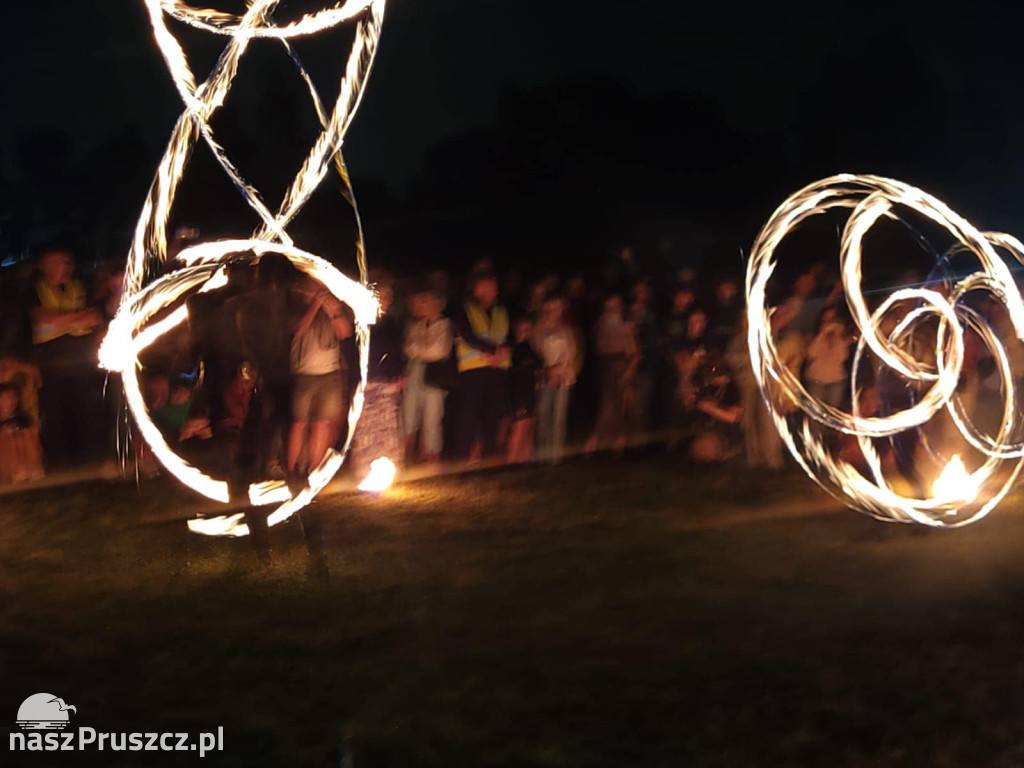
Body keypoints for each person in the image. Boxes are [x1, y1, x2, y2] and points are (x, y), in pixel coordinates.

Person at [29, 248, 105, 469]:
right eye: (60, 261)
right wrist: (76, 320)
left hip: (82, 367)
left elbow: (94, 317)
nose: (67, 266)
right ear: (45, 265)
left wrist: (58, 323)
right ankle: (60, 470)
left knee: (86, 415)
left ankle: (89, 468)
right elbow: (40, 320)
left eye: (68, 261)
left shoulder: (82, 287)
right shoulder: (33, 290)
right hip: (50, 369)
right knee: (55, 419)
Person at [286, 279, 352, 486]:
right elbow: (298, 329)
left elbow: (345, 333)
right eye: (313, 288)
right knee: (299, 423)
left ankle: (315, 471)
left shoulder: (333, 310)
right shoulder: (295, 307)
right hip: (304, 374)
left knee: (322, 424)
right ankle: (291, 470)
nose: (318, 292)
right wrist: (315, 304)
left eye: (321, 288)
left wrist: (334, 311)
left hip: (330, 375)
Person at [349, 280, 406, 479]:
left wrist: (400, 374)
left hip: (388, 380)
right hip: (366, 382)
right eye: (378, 296)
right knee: (366, 426)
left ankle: (389, 466)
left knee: (387, 426)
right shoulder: (360, 322)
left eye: (386, 297)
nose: (383, 301)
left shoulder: (392, 324)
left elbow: (397, 351)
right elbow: (353, 353)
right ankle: (364, 469)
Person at [452, 273, 511, 460]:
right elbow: (468, 335)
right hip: (473, 369)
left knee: (493, 415)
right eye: (485, 287)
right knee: (469, 415)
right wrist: (494, 351)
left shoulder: (502, 310)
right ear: (476, 289)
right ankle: (464, 458)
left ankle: (488, 456)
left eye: (493, 287)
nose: (490, 291)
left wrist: (503, 352)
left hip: (497, 369)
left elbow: (510, 336)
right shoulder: (464, 309)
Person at [403, 289, 453, 464]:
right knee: (409, 414)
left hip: (435, 375)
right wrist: (423, 350)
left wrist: (420, 351)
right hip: (414, 372)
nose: (420, 305)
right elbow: (409, 349)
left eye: (425, 300)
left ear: (437, 303)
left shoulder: (445, 324)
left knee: (432, 416)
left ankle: (432, 458)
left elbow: (439, 350)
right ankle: (408, 457)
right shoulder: (414, 325)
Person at [585, 295, 638, 454]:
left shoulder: (627, 325)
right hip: (605, 368)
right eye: (608, 307)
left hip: (620, 366)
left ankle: (612, 442)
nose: (611, 310)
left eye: (615, 306)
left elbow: (635, 352)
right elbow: (599, 348)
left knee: (618, 405)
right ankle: (604, 441)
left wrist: (629, 371)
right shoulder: (602, 325)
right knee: (608, 405)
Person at [532, 296, 580, 463]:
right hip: (545, 376)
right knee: (543, 414)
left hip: (563, 376)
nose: (555, 312)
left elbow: (572, 351)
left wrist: (563, 368)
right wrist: (548, 370)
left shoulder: (566, 330)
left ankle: (555, 455)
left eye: (558, 308)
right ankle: (542, 453)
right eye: (551, 308)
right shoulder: (538, 329)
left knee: (559, 417)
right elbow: (537, 353)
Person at [689, 355, 743, 462]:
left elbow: (733, 417)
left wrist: (711, 409)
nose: (713, 379)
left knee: (709, 446)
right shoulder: (708, 387)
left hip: (726, 432)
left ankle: (727, 451)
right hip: (709, 428)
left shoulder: (733, 388)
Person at [507, 317, 542, 463]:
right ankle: (512, 460)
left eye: (527, 329)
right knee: (519, 426)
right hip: (517, 391)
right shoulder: (511, 348)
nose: (523, 332)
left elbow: (538, 366)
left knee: (529, 425)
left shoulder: (530, 349)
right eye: (521, 329)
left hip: (530, 390)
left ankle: (524, 460)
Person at [804, 307, 851, 409]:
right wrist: (822, 333)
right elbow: (811, 354)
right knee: (816, 414)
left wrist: (838, 337)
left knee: (833, 414)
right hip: (816, 381)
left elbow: (842, 357)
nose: (830, 324)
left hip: (836, 382)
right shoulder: (813, 337)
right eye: (827, 320)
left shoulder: (840, 339)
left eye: (832, 320)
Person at [0, 382, 44, 483]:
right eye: (8, 397)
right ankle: (13, 472)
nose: (13, 400)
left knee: (25, 435)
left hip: (25, 459)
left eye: (14, 397)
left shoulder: (23, 418)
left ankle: (29, 469)